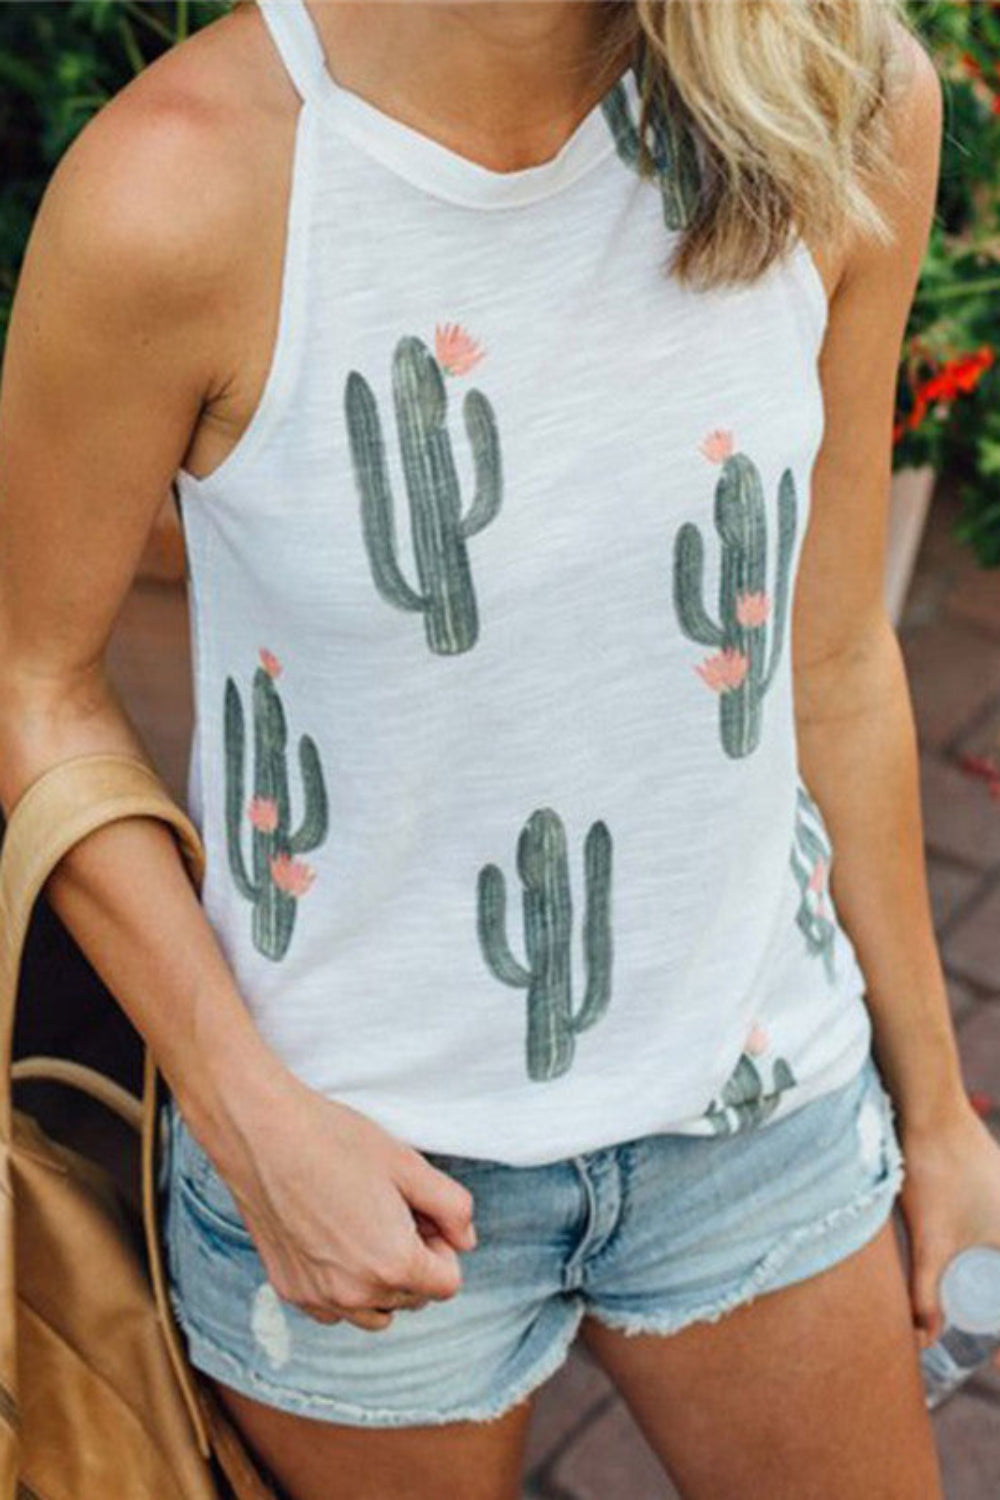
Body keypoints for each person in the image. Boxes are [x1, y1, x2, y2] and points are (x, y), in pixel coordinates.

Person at [0, 0, 996, 1496]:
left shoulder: (838, 97)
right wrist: (250, 1118)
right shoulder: (182, 188)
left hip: (755, 1097)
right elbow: (32, 679)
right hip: (350, 1150)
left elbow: (835, 655)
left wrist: (940, 1112)